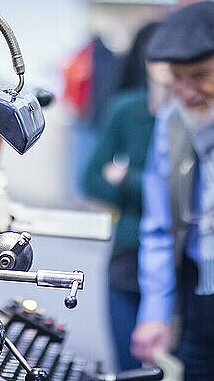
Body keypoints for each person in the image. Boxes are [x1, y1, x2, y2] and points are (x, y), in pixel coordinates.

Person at [129, 1, 214, 381]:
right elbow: (158, 224)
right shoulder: (173, 119)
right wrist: (155, 310)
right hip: (198, 291)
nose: (186, 93)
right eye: (176, 77)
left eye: (200, 75)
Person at [82, 22, 172, 371]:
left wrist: (128, 182)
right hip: (127, 256)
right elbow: (91, 180)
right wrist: (151, 189)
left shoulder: (188, 116)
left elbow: (179, 198)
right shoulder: (125, 109)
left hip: (174, 266)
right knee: (128, 367)